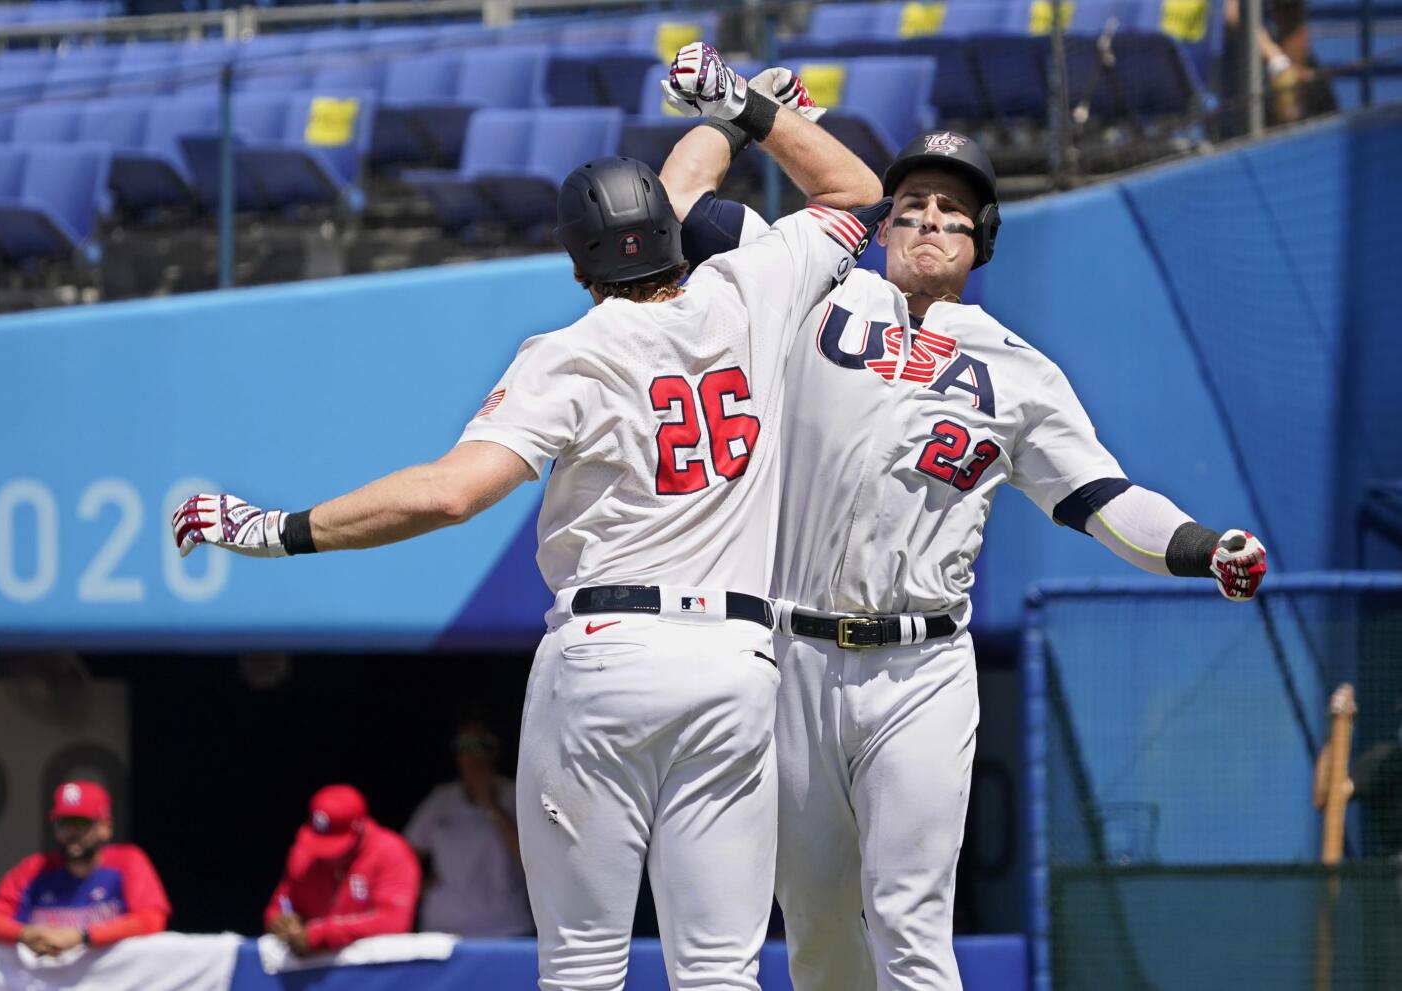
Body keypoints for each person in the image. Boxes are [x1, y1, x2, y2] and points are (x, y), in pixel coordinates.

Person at [170, 41, 885, 990]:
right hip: (733, 664)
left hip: (607, 653)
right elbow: (854, 192)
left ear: (578, 261)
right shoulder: (748, 288)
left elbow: (449, 491)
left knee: (583, 965)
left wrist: (278, 528)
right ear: (673, 235)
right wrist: (744, 112)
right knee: (720, 969)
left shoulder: (572, 349)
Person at [660, 74, 1269, 990]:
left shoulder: (1017, 368)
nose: (931, 219)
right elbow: (684, 209)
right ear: (881, 227)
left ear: (981, 239)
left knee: (910, 921)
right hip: (791, 656)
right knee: (819, 926)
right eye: (910, 205)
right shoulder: (813, 293)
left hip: (922, 666)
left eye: (954, 208)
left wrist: (1198, 544)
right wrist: (744, 115)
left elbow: (1102, 495)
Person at [0, 781, 169, 956]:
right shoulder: (34, 867)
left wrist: (83, 937)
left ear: (106, 827)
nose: (70, 832)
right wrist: (25, 933)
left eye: (80, 823)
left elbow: (152, 919)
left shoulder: (128, 860)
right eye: (63, 823)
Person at [403, 716, 533, 936]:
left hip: (506, 926)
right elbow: (404, 854)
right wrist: (418, 885)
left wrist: (491, 807)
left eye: (482, 744)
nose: (473, 754)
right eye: (464, 745)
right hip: (443, 928)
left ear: (496, 749)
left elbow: (533, 861)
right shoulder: (440, 800)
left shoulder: (518, 794)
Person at [263, 784, 422, 955]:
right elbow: (281, 904)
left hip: (373, 974)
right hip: (311, 972)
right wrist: (277, 920)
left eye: (335, 844)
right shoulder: (304, 853)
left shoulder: (391, 852)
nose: (327, 855)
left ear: (360, 828)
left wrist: (320, 935)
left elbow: (394, 922)